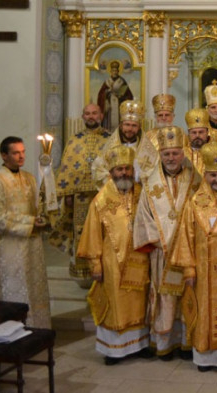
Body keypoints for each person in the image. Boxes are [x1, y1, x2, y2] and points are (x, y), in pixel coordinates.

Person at [170, 142, 217, 372]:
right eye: (213, 175)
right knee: (205, 313)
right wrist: (189, 269)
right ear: (205, 175)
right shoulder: (194, 203)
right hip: (204, 272)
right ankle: (204, 358)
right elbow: (186, 237)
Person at [77, 145, 151, 365]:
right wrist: (95, 264)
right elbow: (92, 234)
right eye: (119, 169)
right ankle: (114, 350)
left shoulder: (141, 193)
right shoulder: (100, 200)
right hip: (112, 263)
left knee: (139, 303)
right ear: (111, 172)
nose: (124, 173)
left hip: (140, 258)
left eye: (127, 168)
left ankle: (139, 345)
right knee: (116, 303)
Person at [133, 126, 202, 359]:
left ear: (183, 153)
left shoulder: (195, 179)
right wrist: (162, 241)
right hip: (162, 252)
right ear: (160, 155)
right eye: (166, 154)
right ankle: (164, 344)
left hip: (189, 251)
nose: (171, 158)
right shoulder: (149, 183)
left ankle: (186, 342)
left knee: (187, 295)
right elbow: (143, 217)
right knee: (165, 298)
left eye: (175, 153)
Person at [0, 136, 52, 328]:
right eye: (15, 153)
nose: (21, 156)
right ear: (4, 155)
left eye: (23, 152)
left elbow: (38, 207)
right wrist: (29, 223)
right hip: (10, 248)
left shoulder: (29, 178)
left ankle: (37, 328)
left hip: (31, 246)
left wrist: (45, 215)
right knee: (16, 287)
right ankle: (14, 330)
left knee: (34, 286)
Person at [53, 103, 110, 285]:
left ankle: (105, 271)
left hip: (103, 196)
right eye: (87, 113)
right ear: (83, 117)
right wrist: (68, 194)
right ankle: (83, 273)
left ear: (101, 115)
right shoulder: (74, 140)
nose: (91, 116)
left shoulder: (110, 139)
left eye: (94, 113)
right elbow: (67, 169)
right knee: (82, 232)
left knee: (104, 233)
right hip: (80, 198)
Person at [92, 100, 143, 188]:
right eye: (127, 124)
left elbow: (152, 173)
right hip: (114, 192)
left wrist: (138, 177)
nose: (130, 129)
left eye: (134, 125)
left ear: (139, 127)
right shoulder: (110, 147)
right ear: (121, 126)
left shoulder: (145, 149)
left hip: (139, 193)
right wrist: (115, 179)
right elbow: (98, 170)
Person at [137, 94, 186, 178]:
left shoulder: (181, 134)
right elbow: (142, 159)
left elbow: (186, 156)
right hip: (153, 176)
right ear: (155, 117)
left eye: (167, 115)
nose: (163, 118)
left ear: (173, 117)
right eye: (160, 115)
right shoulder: (147, 136)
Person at [96, 60, 133, 130]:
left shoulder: (121, 81)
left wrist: (121, 97)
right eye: (113, 71)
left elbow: (129, 96)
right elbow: (101, 95)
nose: (114, 72)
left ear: (118, 71)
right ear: (110, 71)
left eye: (116, 71)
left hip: (119, 107)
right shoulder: (107, 82)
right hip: (109, 109)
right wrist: (107, 93)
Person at [184, 108, 211, 176]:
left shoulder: (214, 152)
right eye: (194, 132)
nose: (197, 135)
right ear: (188, 133)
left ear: (207, 132)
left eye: (201, 132)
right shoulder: (182, 154)